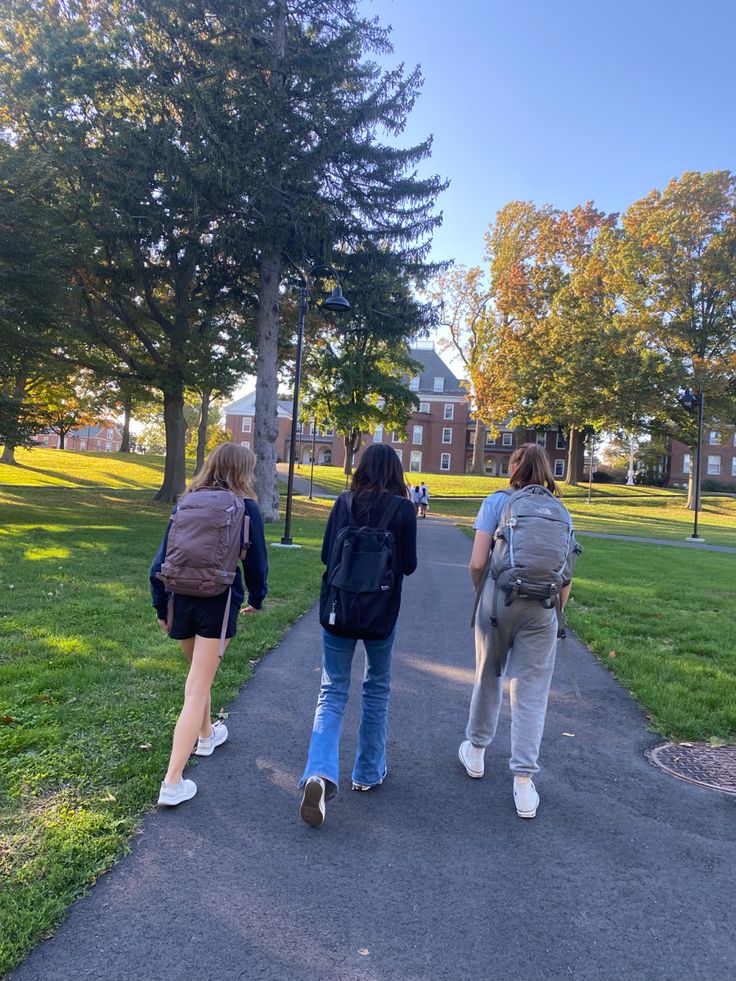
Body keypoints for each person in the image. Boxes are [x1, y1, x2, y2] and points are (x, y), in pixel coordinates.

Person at [299, 443, 417, 827]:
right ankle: (367, 773)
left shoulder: (343, 502)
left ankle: (319, 772)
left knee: (331, 690)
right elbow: (410, 566)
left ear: (361, 468)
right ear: (396, 472)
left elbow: (323, 558)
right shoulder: (402, 508)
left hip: (340, 608)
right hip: (381, 611)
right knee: (377, 685)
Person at [459, 443, 576, 819]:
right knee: (531, 692)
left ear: (513, 468)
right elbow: (566, 576)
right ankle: (524, 783)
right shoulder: (561, 511)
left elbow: (478, 561)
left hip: (497, 600)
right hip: (543, 607)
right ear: (546, 471)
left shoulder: (497, 502)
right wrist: (554, 613)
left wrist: (482, 593)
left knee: (488, 673)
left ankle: (476, 752)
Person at [150, 442, 268, 807]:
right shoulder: (246, 507)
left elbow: (158, 563)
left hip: (179, 600)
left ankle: (206, 736)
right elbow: (257, 564)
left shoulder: (186, 502)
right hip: (218, 601)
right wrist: (257, 599)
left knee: (197, 677)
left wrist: (160, 607)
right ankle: (172, 782)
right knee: (197, 688)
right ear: (241, 471)